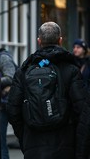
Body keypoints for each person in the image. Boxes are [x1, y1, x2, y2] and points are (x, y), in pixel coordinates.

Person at [7, 21, 87, 159]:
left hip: (33, 145)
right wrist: (80, 149)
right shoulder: (71, 70)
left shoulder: (24, 71)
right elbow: (83, 112)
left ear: (39, 41)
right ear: (60, 40)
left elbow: (13, 110)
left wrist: (25, 139)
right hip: (65, 145)